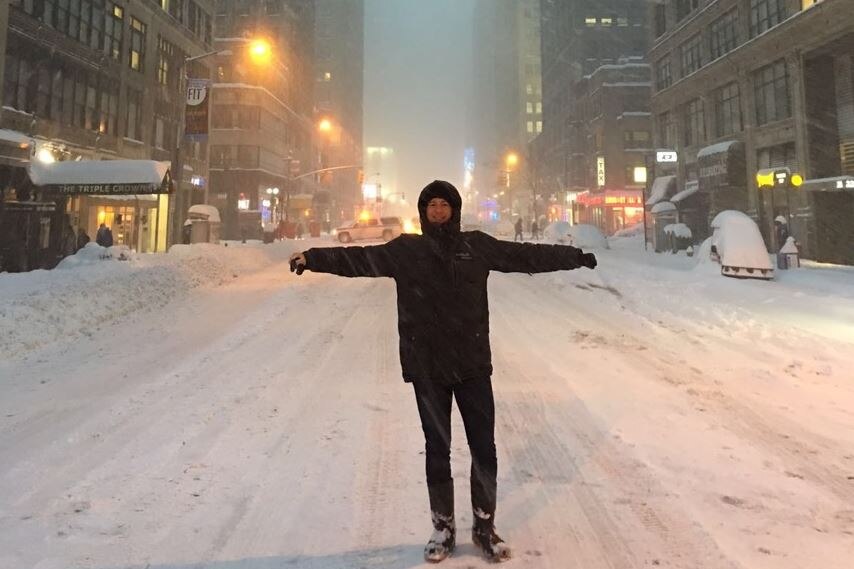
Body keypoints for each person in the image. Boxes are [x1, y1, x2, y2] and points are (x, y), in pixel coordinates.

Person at [288, 180, 597, 563]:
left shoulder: (476, 247)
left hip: (471, 367)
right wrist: (312, 257)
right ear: (423, 211)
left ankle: (485, 526)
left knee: (484, 448)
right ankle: (443, 526)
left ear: (454, 210)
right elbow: (357, 259)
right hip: (428, 368)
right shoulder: (406, 251)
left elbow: (524, 256)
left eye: (444, 205)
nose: (438, 211)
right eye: (431, 205)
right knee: (438, 449)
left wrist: (573, 256)